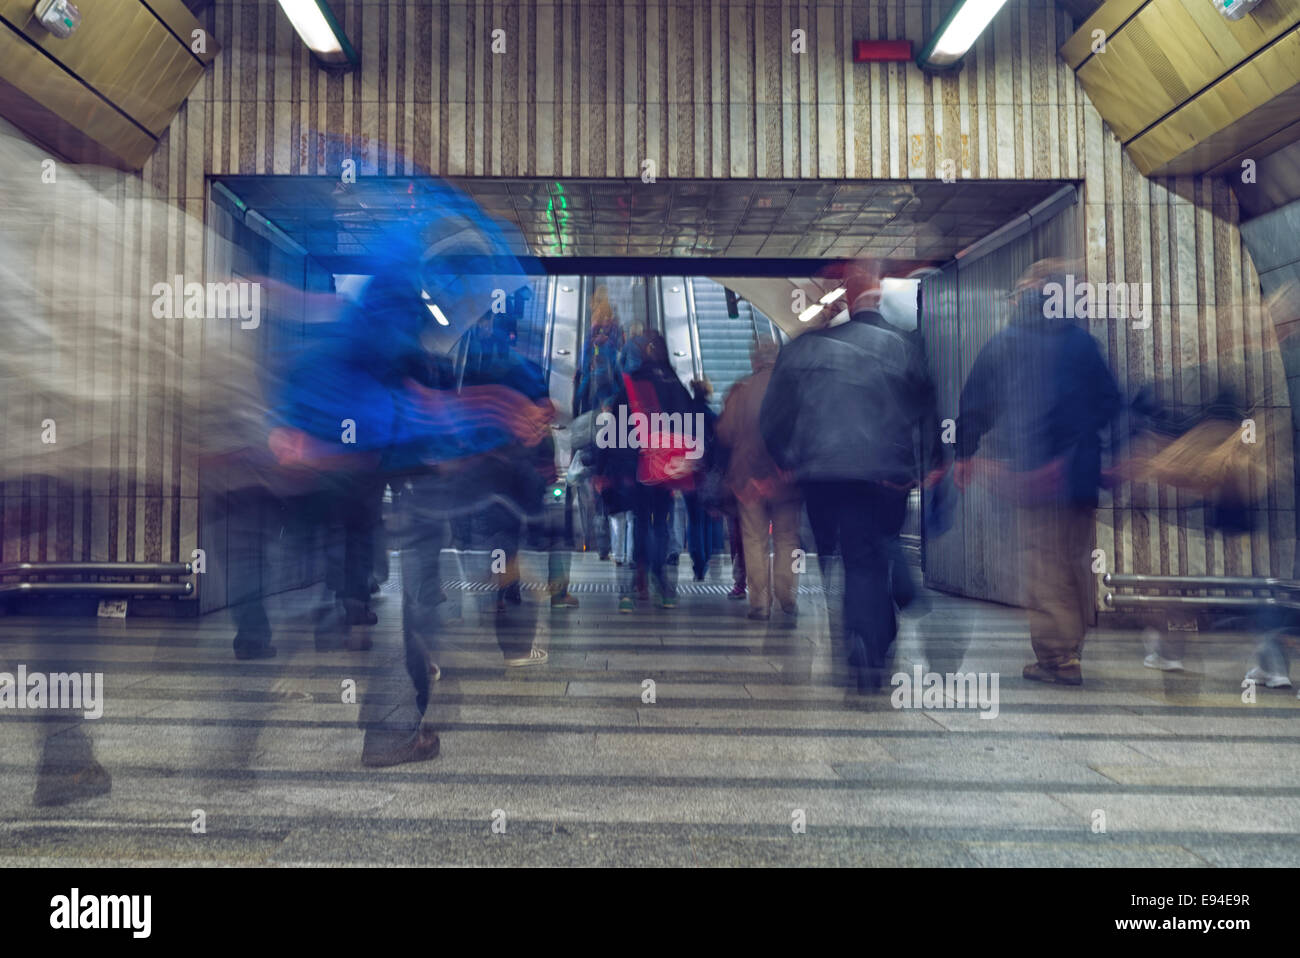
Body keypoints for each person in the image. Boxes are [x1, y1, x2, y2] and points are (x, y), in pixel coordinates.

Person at [761, 263, 943, 692]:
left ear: (844, 296)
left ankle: (861, 635)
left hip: (821, 474)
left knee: (835, 557)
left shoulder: (808, 348)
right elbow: (925, 409)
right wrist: (930, 462)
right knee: (871, 553)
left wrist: (786, 457)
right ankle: (871, 637)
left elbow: (775, 413)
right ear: (876, 294)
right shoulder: (901, 346)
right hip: (883, 473)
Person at [954, 259, 1122, 687]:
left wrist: (964, 454)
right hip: (1080, 476)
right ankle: (1071, 646)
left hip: (1037, 475)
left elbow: (976, 404)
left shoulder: (1007, 342)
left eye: (1021, 286)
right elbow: (1109, 403)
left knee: (1043, 563)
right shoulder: (1081, 344)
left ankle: (1056, 658)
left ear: (1031, 293)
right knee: (1074, 562)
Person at [717, 342, 801, 620]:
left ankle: (759, 603)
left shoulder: (741, 390)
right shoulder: (791, 390)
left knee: (754, 539)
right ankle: (787, 595)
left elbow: (725, 433)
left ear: (754, 361)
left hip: (747, 479)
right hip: (785, 479)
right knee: (787, 537)